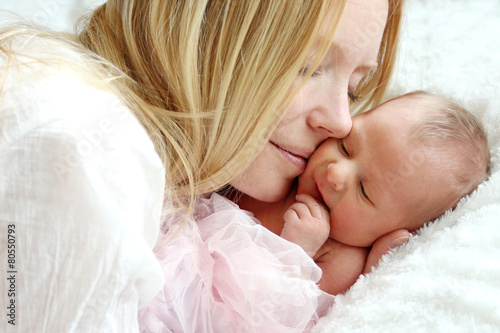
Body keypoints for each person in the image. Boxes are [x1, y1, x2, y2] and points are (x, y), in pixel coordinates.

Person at [0, 0, 404, 331]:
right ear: (204, 27)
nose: (341, 122)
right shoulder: (84, 148)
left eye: (353, 91)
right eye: (305, 65)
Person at [266, 91, 490, 295]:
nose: (335, 172)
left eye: (364, 191)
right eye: (345, 147)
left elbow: (286, 315)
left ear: (394, 230)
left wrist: (297, 252)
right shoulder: (285, 168)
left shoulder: (341, 260)